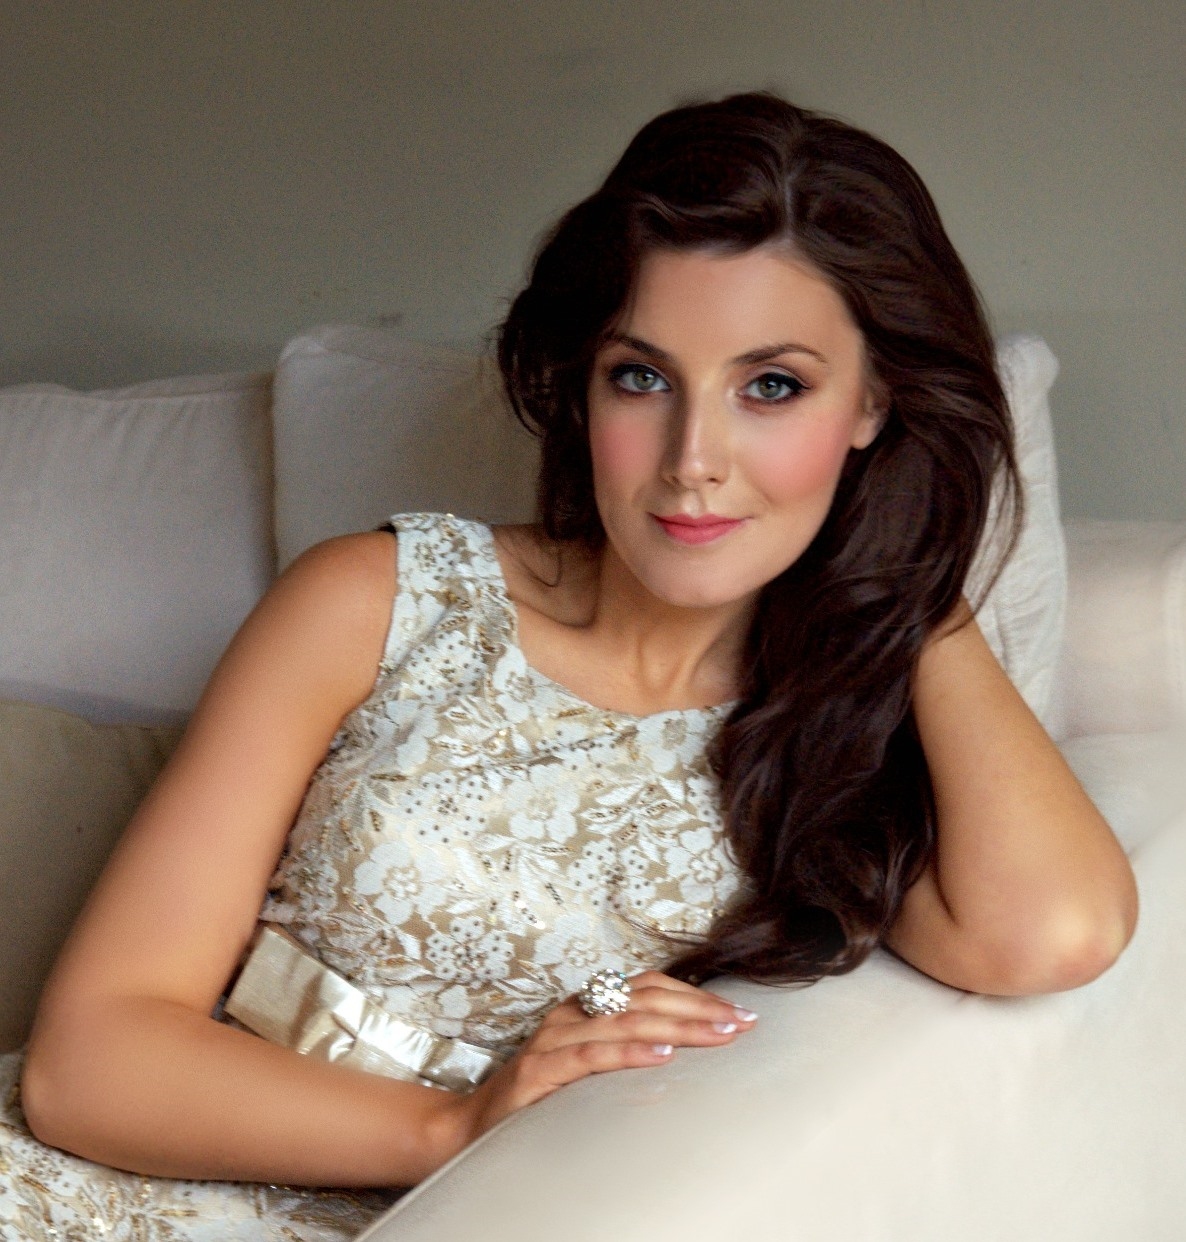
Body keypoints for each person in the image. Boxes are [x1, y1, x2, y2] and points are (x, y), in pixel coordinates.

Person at [0, 92, 1137, 1240]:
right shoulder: (374, 601)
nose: (692, 460)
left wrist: (909, 572)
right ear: (581, 386)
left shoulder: (844, 735)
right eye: (641, 378)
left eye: (771, 387)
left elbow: (1055, 932)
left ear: (873, 402)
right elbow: (85, 1066)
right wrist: (450, 1127)